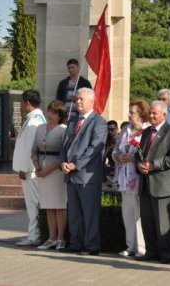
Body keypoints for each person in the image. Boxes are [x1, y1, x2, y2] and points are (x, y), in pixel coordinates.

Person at [135, 100, 170, 264]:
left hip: (163, 185)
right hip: (145, 183)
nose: (151, 115)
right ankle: (151, 251)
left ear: (164, 114)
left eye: (154, 113)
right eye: (150, 112)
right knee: (147, 220)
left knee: (163, 223)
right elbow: (139, 153)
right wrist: (139, 165)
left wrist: (153, 165)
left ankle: (166, 254)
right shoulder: (146, 131)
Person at [60, 87, 107, 255]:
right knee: (74, 213)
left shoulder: (99, 122)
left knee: (89, 213)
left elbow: (94, 149)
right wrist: (63, 162)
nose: (78, 102)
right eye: (76, 99)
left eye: (81, 99)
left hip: (87, 176)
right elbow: (64, 145)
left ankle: (91, 246)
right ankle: (75, 243)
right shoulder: (72, 121)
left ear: (91, 101)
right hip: (70, 175)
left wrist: (76, 165)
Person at [112, 99, 150, 257]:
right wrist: (119, 156)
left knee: (138, 214)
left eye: (132, 112)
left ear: (141, 114)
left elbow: (147, 153)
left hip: (138, 178)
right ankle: (130, 246)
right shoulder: (126, 130)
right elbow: (115, 150)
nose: (129, 115)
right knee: (127, 213)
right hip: (123, 177)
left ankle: (142, 247)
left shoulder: (147, 130)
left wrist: (133, 158)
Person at [31, 100, 68, 250]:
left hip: (56, 172)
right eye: (49, 111)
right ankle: (51, 237)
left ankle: (61, 238)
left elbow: (63, 155)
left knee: (59, 205)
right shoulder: (40, 128)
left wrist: (48, 169)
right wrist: (37, 165)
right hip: (41, 170)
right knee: (48, 206)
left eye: (55, 113)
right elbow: (33, 149)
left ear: (61, 115)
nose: (50, 115)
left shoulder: (64, 130)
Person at [13, 90, 46, 246]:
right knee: (33, 203)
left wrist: (24, 168)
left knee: (33, 204)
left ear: (27, 103)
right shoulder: (35, 118)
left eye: (22, 103)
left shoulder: (34, 122)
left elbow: (31, 149)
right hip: (31, 169)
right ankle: (35, 233)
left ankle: (34, 235)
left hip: (31, 171)